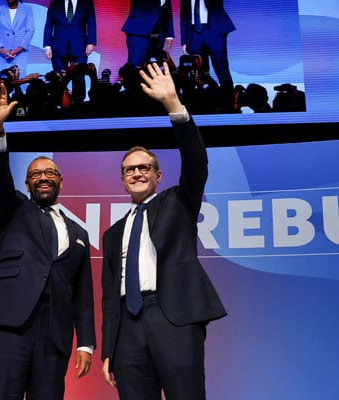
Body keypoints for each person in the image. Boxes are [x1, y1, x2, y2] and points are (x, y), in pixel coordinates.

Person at [100, 62, 227, 399]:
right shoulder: (112, 234)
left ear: (158, 175)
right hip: (127, 327)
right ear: (123, 178)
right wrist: (108, 349)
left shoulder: (178, 202)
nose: (137, 173)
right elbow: (109, 297)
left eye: (145, 167)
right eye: (130, 169)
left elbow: (197, 162)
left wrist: (174, 106)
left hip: (174, 317)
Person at [0, 80, 96, 399]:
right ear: (27, 183)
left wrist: (85, 343)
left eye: (50, 173)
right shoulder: (13, 209)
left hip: (54, 333)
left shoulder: (79, 233)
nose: (43, 177)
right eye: (36, 174)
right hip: (10, 324)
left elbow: (83, 293)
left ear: (60, 182)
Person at [180, 0, 236, 112]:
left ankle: (229, 105)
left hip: (213, 31)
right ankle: (206, 104)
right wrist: (184, 41)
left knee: (221, 69)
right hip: (194, 33)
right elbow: (184, 18)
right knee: (199, 72)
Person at [43, 0, 97, 105]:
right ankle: (59, 104)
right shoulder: (55, 3)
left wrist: (91, 42)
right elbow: (49, 24)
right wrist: (47, 46)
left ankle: (79, 104)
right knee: (59, 78)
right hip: (58, 46)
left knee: (79, 78)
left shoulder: (86, 2)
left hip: (80, 46)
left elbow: (91, 22)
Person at [0, 0, 36, 81]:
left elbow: (30, 30)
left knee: (18, 83)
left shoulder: (27, 9)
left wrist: (18, 49)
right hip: (2, 55)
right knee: (0, 84)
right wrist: (1, 50)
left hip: (19, 54)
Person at [122, 0, 174, 69]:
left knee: (156, 65)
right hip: (139, 29)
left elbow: (167, 11)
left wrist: (169, 35)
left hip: (159, 32)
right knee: (136, 65)